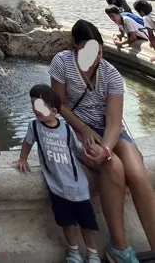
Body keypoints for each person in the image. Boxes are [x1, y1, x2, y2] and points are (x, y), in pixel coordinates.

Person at [49, 19, 155, 263]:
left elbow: (115, 122)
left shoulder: (112, 75)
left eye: (97, 51)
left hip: (110, 129)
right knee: (114, 167)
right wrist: (84, 130)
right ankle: (119, 247)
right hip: (78, 127)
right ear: (74, 47)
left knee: (138, 174)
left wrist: (106, 148)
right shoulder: (62, 62)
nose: (93, 57)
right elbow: (59, 104)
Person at [15, 83, 100, 263]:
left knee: (87, 223)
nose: (34, 109)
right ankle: (74, 252)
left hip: (78, 187)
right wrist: (23, 158)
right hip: (57, 187)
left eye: (39, 105)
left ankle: (92, 254)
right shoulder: (34, 127)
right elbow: (27, 142)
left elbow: (78, 151)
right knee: (66, 222)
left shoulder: (66, 129)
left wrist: (91, 156)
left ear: (53, 111)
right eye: (32, 104)